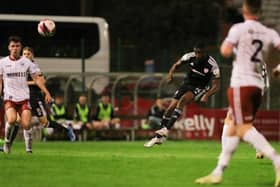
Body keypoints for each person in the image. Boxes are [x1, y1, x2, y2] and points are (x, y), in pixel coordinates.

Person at [195, 0, 280, 186]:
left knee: (242, 128)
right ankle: (218, 172)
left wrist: (235, 47)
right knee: (232, 125)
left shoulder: (238, 29)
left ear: (244, 9)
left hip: (241, 84)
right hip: (257, 86)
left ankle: (277, 160)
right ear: (260, 10)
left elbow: (225, 51)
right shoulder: (269, 32)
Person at [144, 42, 220, 147]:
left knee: (183, 100)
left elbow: (216, 86)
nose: (198, 55)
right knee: (170, 107)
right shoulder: (189, 57)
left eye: (200, 53)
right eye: (196, 52)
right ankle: (159, 137)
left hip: (200, 86)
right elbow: (176, 65)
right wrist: (170, 75)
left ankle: (166, 129)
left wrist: (206, 95)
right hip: (187, 83)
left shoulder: (212, 65)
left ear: (205, 52)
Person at [0, 36, 52, 154]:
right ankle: (7, 142)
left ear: (20, 47)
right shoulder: (2, 63)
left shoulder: (26, 62)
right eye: (12, 46)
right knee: (12, 120)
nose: (15, 48)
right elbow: (0, 82)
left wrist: (46, 92)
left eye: (17, 46)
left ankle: (29, 150)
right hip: (10, 98)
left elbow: (37, 79)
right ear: (9, 48)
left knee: (26, 124)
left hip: (24, 98)